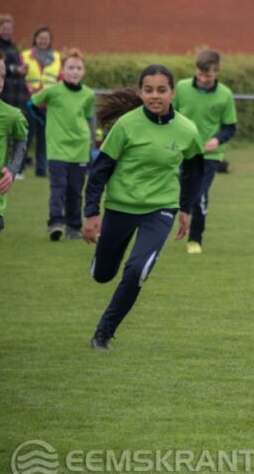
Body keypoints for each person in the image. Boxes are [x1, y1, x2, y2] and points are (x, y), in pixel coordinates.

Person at [84, 64, 204, 350]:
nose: (155, 96)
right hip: (120, 206)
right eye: (148, 90)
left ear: (172, 93)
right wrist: (91, 212)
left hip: (161, 208)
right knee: (102, 275)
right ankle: (102, 263)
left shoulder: (187, 130)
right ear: (140, 92)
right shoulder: (126, 125)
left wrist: (185, 209)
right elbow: (100, 170)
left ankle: (104, 332)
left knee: (137, 270)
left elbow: (194, 171)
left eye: (161, 90)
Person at [172, 49, 237, 254]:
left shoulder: (225, 95)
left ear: (217, 71)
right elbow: (169, 115)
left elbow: (230, 127)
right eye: (199, 74)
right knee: (173, 193)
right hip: (181, 152)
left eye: (207, 75)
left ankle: (195, 239)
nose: (202, 79)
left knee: (199, 196)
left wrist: (217, 139)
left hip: (209, 156)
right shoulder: (181, 88)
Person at [28, 48, 94, 241]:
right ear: (62, 70)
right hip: (57, 149)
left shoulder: (89, 94)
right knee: (59, 187)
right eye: (70, 67)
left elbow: (88, 118)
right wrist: (43, 120)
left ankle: (73, 227)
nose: (75, 71)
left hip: (80, 149)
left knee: (75, 190)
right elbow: (33, 103)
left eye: (78, 68)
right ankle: (55, 223)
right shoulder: (53, 91)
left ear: (83, 71)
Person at [22, 26, 61, 178]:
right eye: (40, 38)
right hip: (30, 102)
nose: (43, 41)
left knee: (44, 138)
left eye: (46, 38)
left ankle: (41, 169)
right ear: (35, 39)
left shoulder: (57, 57)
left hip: (48, 104)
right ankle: (19, 168)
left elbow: (60, 79)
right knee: (26, 135)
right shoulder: (25, 55)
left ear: (50, 41)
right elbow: (20, 77)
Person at [0, 50, 29, 234]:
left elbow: (21, 140)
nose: (0, 82)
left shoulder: (12, 115)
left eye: (2, 76)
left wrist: (12, 170)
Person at [0, 15, 31, 177]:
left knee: (17, 132)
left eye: (9, 29)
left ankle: (15, 168)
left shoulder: (13, 46)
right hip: (6, 94)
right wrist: (14, 69)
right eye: (4, 28)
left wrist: (22, 70)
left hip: (16, 94)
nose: (7, 31)